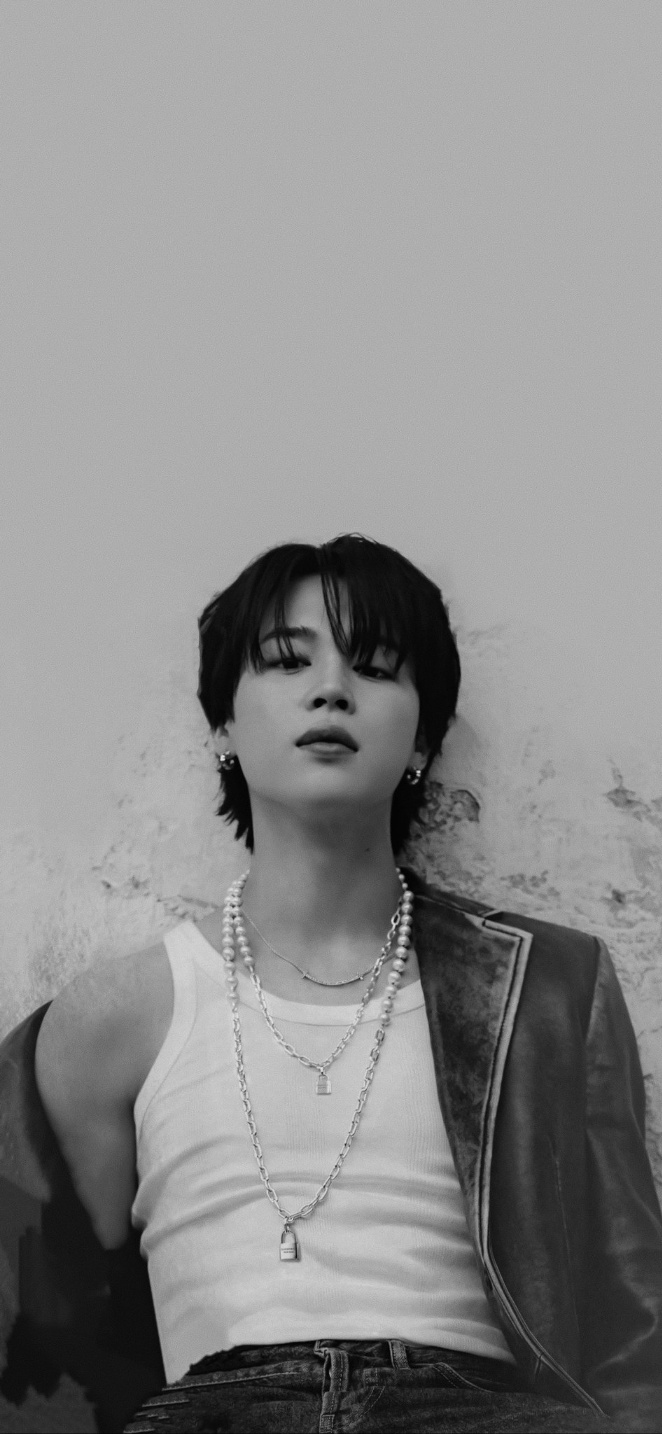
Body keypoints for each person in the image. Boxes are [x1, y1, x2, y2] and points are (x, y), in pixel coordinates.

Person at [1, 533, 661, 1434]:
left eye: (376, 666)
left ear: (423, 738)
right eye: (287, 660)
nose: (331, 689)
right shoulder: (114, 1016)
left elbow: (635, 1321)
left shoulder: (546, 989)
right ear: (222, 725)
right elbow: (57, 1345)